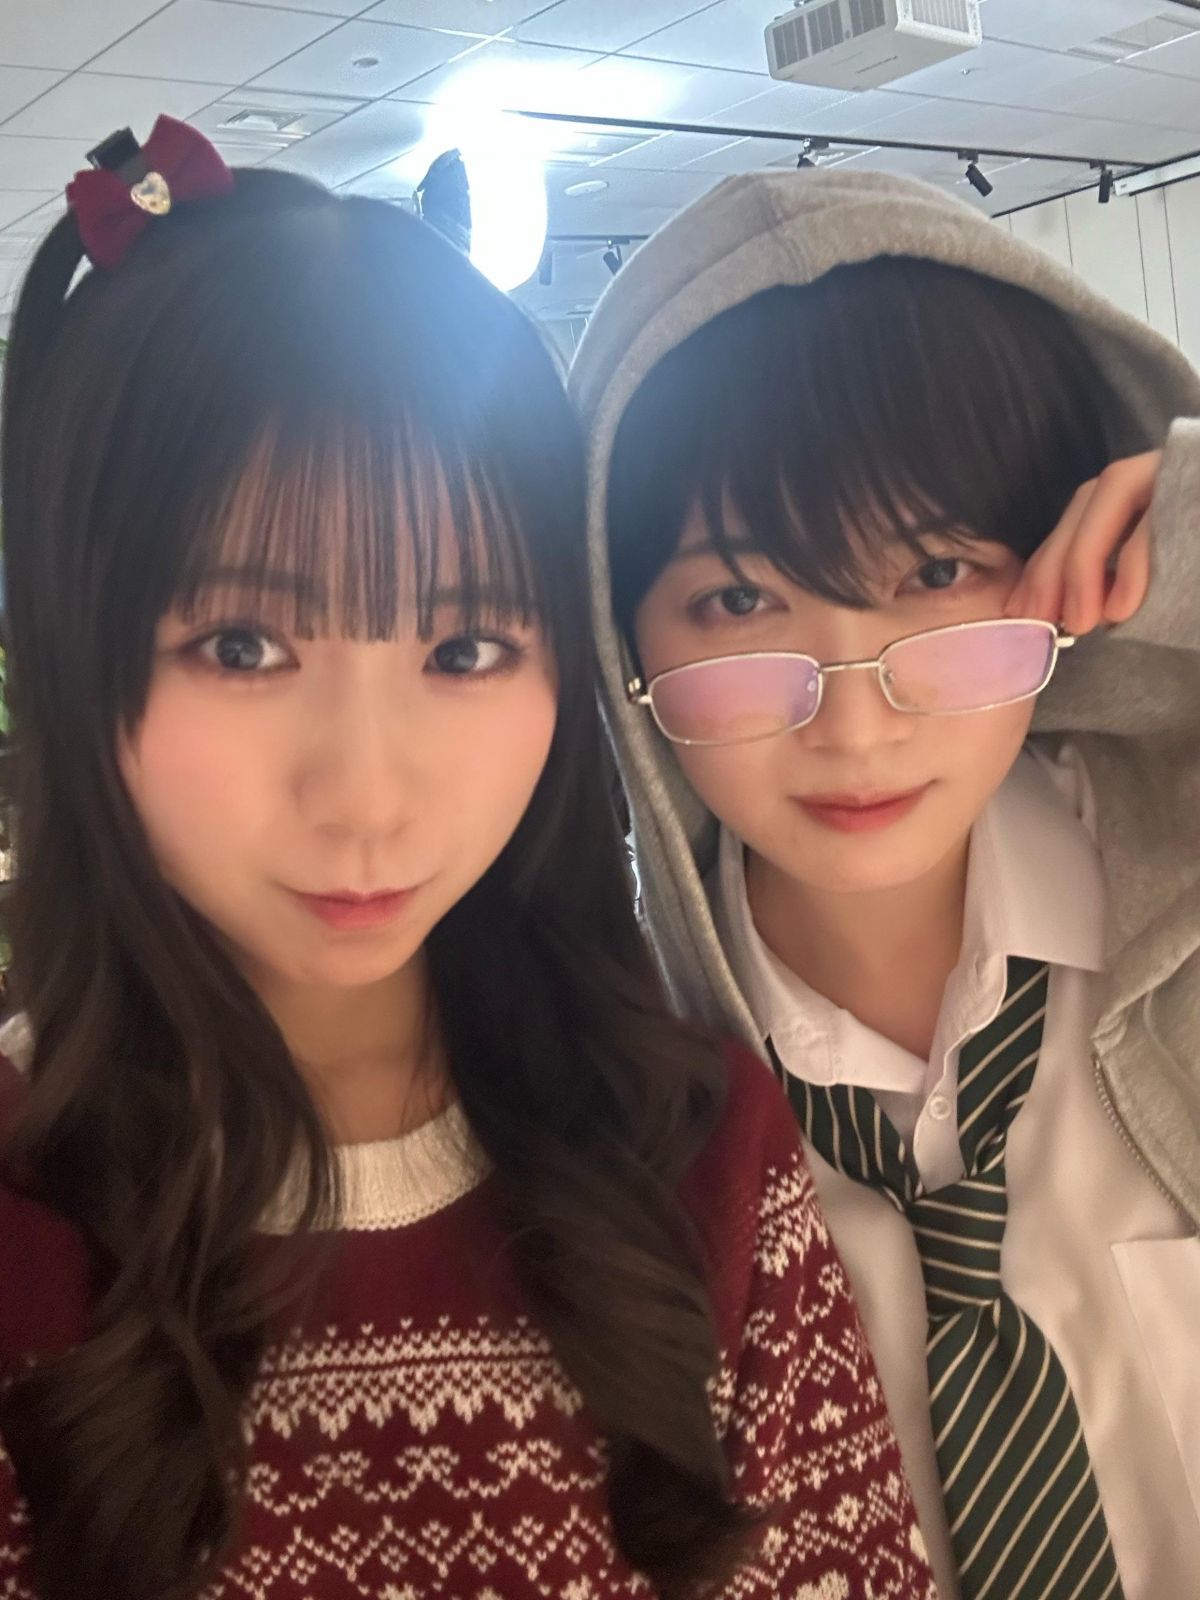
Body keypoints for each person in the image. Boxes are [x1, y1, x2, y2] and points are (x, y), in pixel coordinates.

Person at [0, 119, 934, 1600]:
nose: (368, 798)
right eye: (240, 646)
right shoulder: (27, 1218)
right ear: (70, 654)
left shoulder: (691, 1144)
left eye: (465, 648)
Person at [572, 168, 1200, 1600]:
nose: (854, 724)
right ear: (623, 646)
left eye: (936, 573)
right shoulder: (597, 1128)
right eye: (739, 601)